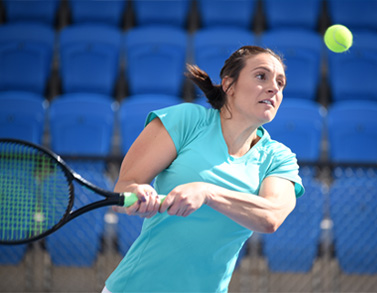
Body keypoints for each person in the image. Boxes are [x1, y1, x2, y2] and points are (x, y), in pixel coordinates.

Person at [103, 45, 304, 293]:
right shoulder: (186, 120)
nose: (274, 87)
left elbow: (271, 216)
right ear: (229, 85)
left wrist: (207, 193)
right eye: (261, 76)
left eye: (281, 83)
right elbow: (126, 185)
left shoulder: (278, 157)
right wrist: (139, 194)